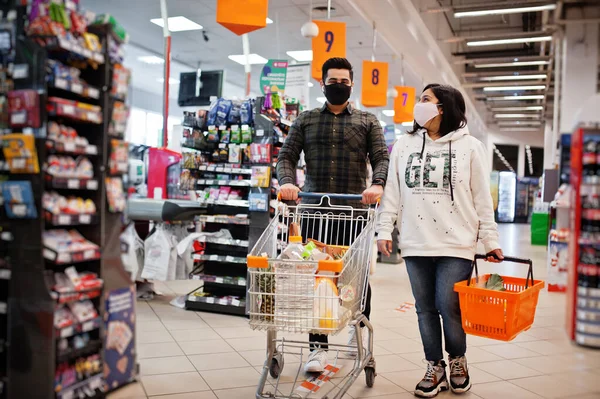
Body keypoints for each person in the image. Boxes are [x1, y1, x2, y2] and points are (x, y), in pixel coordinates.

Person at [376, 84, 503, 398]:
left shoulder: (471, 146)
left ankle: (457, 360)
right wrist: (383, 229)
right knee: (425, 308)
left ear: (443, 107)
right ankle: (435, 366)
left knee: (449, 305)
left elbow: (481, 198)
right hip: (416, 240)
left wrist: (490, 238)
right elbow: (392, 191)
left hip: (457, 241)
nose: (419, 105)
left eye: (425, 100)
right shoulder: (404, 146)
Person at [277, 57, 389, 373]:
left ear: (352, 84)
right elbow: (286, 157)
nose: (338, 85)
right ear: (322, 82)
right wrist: (287, 182)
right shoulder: (306, 120)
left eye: (344, 81)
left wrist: (377, 184)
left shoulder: (368, 121)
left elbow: (382, 158)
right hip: (315, 214)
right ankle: (318, 348)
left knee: (356, 278)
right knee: (319, 281)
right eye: (332, 80)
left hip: (353, 215)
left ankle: (358, 331)